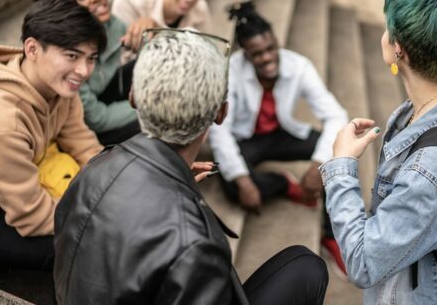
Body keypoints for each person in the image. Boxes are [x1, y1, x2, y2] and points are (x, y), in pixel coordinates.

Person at [54, 29, 328, 305]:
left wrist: (173, 187)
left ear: (134, 97)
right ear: (221, 114)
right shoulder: (196, 243)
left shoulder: (95, 165)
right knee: (307, 267)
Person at [320, 0, 437, 303]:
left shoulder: (427, 171)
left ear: (398, 50)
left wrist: (341, 165)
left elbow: (362, 263)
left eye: (389, 29)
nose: (383, 35)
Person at [0, 0, 105, 271]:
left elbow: (83, 143)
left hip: (1, 194)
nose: (83, 70)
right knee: (84, 248)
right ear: (32, 48)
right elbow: (32, 216)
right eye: (71, 55)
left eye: (90, 58)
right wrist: (104, 217)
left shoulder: (59, 88)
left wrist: (119, 188)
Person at [208, 1, 349, 275]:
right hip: (245, 140)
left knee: (338, 154)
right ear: (246, 56)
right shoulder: (232, 70)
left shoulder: (299, 67)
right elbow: (220, 131)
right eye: (257, 54)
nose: (268, 58)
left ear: (277, 42)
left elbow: (337, 115)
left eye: (271, 48)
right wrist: (245, 182)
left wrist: (319, 165)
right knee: (232, 186)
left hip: (282, 133)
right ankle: (282, 184)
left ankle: (331, 234)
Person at [26, 0, 144, 145]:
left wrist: (150, 29)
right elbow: (96, 118)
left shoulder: (113, 25)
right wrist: (149, 107)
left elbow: (151, 54)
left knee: (141, 67)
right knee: (153, 124)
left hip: (102, 96)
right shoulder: (65, 57)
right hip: (87, 123)